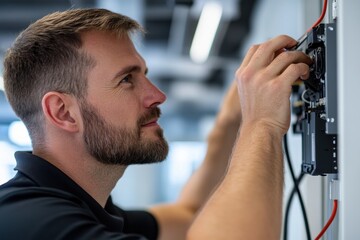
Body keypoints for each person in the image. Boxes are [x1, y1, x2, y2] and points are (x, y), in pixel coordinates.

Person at [0, 8, 311, 240]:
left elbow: (190, 216)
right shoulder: (35, 223)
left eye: (144, 74)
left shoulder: (77, 205)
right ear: (63, 112)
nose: (158, 95)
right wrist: (262, 124)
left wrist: (231, 120)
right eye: (126, 80)